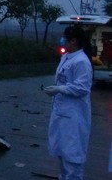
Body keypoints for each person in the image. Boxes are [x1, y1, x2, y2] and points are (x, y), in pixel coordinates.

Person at [44, 25, 92, 180]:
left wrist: (60, 89)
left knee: (73, 158)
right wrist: (57, 89)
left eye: (65, 38)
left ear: (74, 41)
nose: (62, 41)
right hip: (61, 113)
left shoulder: (81, 61)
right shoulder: (66, 57)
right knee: (62, 155)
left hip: (74, 117)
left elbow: (82, 88)